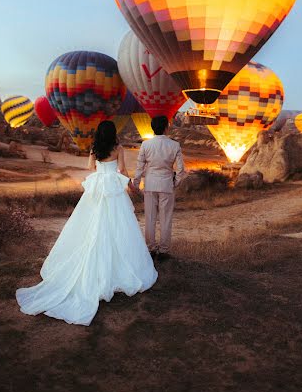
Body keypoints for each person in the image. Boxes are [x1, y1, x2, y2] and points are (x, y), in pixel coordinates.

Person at [16, 120, 157, 326]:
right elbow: (123, 171)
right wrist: (131, 187)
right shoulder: (118, 148)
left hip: (98, 186)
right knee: (118, 226)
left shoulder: (94, 147)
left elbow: (91, 167)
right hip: (112, 187)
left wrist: (102, 170)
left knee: (90, 224)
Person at [133, 115, 185, 260]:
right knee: (165, 218)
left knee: (149, 218)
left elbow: (139, 167)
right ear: (166, 128)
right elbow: (181, 170)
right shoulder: (174, 145)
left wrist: (136, 184)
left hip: (150, 184)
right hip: (166, 184)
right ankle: (163, 251)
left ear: (152, 128)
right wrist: (175, 183)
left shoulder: (146, 145)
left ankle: (150, 248)